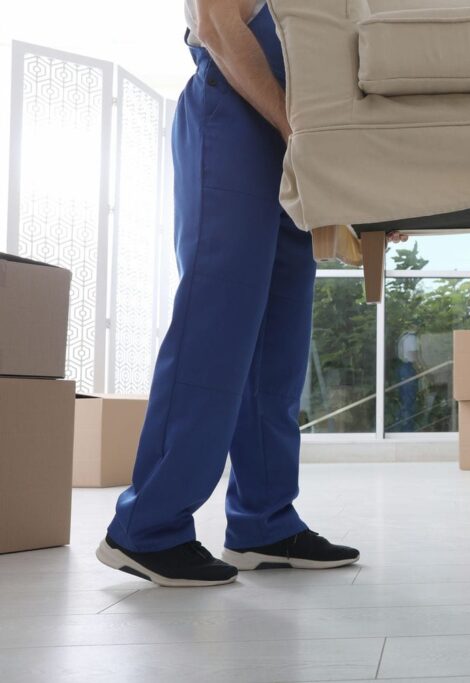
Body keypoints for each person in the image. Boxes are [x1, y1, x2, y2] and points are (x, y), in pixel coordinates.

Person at [96, 0, 404, 587]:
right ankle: (148, 527)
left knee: (279, 346)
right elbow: (214, 23)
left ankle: (264, 522)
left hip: (302, 141)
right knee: (218, 324)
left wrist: (369, 178)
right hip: (236, 115)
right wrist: (296, 131)